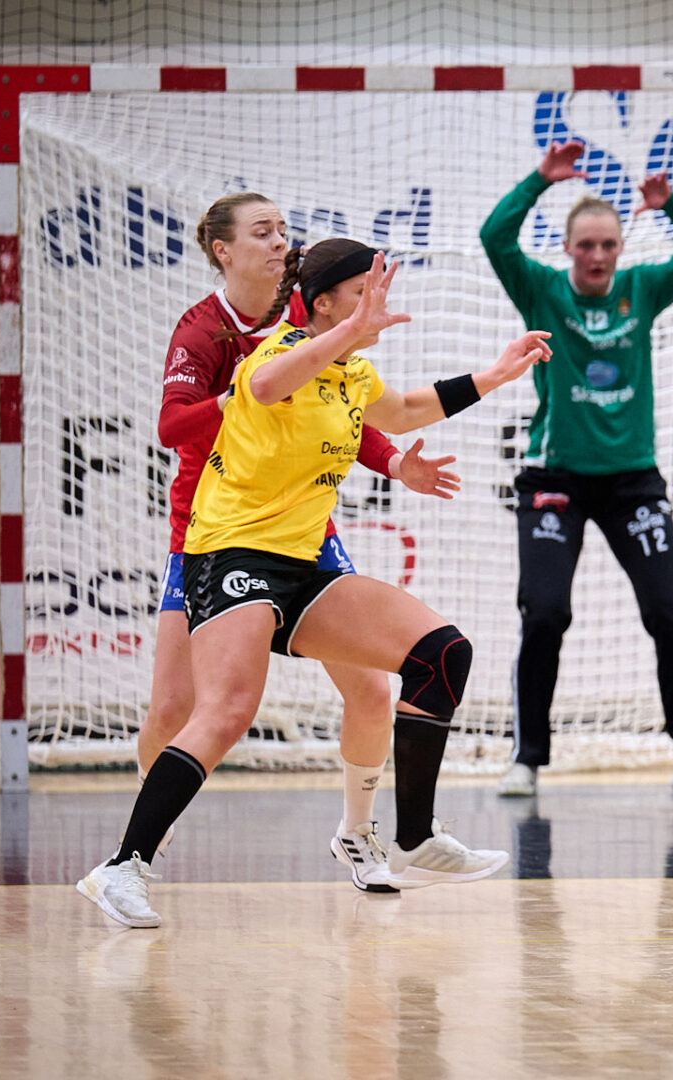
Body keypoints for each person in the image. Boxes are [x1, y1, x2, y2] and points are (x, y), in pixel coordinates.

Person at [77, 240, 551, 928]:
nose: (376, 305)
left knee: (442, 653)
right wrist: (348, 330)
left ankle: (413, 839)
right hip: (230, 551)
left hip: (305, 562)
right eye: (362, 294)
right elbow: (265, 390)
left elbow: (403, 410)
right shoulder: (276, 354)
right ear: (323, 304)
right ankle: (123, 866)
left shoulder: (352, 371)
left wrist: (495, 374)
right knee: (226, 711)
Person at [149, 193, 462, 895]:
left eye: (284, 231)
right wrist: (239, 398)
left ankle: (358, 834)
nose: (279, 243)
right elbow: (172, 427)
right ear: (223, 251)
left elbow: (349, 406)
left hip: (303, 526)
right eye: (263, 232)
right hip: (214, 528)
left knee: (372, 689)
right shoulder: (203, 331)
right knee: (176, 709)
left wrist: (393, 463)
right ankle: (141, 845)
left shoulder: (305, 313)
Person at [481, 141, 673, 797]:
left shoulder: (641, 289)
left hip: (631, 482)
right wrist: (540, 180)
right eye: (586, 245)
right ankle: (526, 759)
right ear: (567, 248)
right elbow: (495, 237)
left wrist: (671, 205)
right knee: (545, 613)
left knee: (672, 613)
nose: (596, 256)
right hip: (555, 479)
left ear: (621, 248)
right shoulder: (541, 289)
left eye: (607, 245)